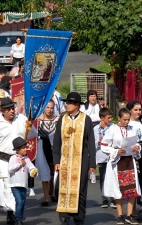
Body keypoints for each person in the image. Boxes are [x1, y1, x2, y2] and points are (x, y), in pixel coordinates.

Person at [0, 97, 37, 224]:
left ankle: (17, 213)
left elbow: (33, 134)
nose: (12, 111)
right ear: (2, 111)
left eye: (12, 108)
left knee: (20, 186)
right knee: (7, 187)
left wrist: (30, 127)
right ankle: (11, 214)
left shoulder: (21, 119)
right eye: (8, 109)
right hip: (4, 159)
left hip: (20, 158)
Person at [52, 92, 96, 225]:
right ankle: (65, 215)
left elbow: (91, 142)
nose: (67, 105)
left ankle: (79, 216)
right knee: (63, 186)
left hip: (81, 160)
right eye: (67, 102)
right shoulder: (62, 119)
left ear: (77, 105)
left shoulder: (85, 119)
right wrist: (56, 161)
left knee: (80, 188)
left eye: (70, 103)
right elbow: (57, 141)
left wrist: (92, 163)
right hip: (64, 160)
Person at [100, 108, 141, 224]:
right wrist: (115, 151)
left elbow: (136, 142)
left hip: (129, 161)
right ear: (119, 118)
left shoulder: (132, 129)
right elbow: (104, 145)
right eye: (124, 120)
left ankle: (129, 215)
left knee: (132, 188)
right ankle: (119, 215)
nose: (126, 122)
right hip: (117, 161)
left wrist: (136, 148)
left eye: (128, 120)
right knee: (118, 189)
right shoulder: (112, 129)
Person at [9, 137, 38, 225]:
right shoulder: (13, 158)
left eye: (26, 147)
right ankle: (18, 220)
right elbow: (10, 169)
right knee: (19, 202)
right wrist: (19, 164)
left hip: (23, 185)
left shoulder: (26, 159)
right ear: (17, 149)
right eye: (24, 148)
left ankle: (19, 218)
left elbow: (31, 167)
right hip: (15, 184)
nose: (26, 149)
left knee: (22, 202)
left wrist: (34, 171)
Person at [36, 100, 59, 206]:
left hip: (54, 147)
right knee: (45, 172)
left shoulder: (57, 119)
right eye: (47, 107)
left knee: (54, 172)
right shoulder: (38, 120)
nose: (50, 110)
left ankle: (53, 193)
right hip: (42, 147)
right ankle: (46, 198)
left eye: (51, 108)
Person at [93, 107, 116, 208]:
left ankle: (113, 198)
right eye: (108, 118)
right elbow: (92, 142)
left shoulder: (113, 127)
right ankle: (104, 198)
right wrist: (97, 143)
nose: (110, 120)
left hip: (111, 156)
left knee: (112, 177)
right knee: (102, 177)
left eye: (111, 117)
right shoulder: (95, 129)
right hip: (101, 156)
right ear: (102, 118)